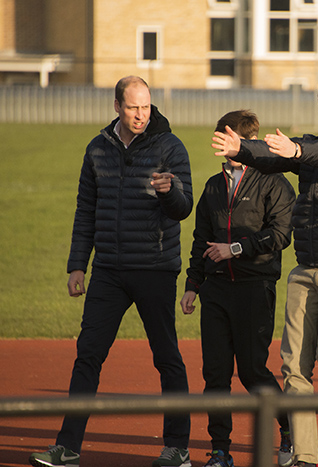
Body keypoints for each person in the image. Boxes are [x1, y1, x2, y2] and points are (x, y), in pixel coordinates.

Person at [211, 74, 318, 467]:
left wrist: (297, 151)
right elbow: (276, 156)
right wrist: (242, 148)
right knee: (293, 367)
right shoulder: (309, 147)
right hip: (306, 267)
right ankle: (306, 458)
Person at [29, 76, 193, 467]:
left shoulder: (170, 146)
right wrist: (76, 265)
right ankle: (67, 448)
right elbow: (85, 209)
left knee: (166, 357)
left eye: (146, 107)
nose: (141, 115)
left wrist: (171, 191)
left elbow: (184, 209)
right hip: (108, 271)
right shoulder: (97, 149)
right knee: (87, 355)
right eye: (134, 107)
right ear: (117, 105)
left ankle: (178, 449)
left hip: (155, 268)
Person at [180, 110, 296, 467]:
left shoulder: (274, 183)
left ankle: (289, 432)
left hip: (254, 289)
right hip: (216, 291)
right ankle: (220, 450)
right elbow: (201, 239)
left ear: (244, 142)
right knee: (215, 374)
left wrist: (235, 249)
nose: (217, 145)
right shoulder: (213, 186)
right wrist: (192, 285)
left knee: (252, 371)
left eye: (223, 138)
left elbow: (280, 236)